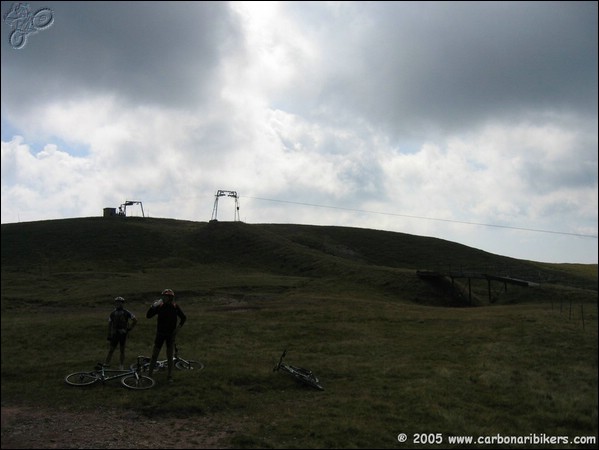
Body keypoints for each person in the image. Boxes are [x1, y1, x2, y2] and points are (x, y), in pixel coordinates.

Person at [146, 288, 186, 383]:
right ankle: (149, 375)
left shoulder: (175, 307)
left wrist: (177, 329)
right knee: (154, 355)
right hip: (160, 334)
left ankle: (169, 376)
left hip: (170, 335)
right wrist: (153, 306)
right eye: (163, 296)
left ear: (170, 298)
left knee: (169, 355)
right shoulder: (160, 306)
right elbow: (148, 316)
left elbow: (183, 318)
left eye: (166, 296)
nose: (164, 298)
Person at [105, 297, 137, 370]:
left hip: (123, 334)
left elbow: (135, 320)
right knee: (111, 350)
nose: (118, 304)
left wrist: (130, 328)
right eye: (117, 302)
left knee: (122, 350)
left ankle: (121, 365)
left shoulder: (126, 312)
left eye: (120, 302)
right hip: (115, 334)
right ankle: (106, 364)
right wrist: (109, 334)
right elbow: (110, 324)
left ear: (122, 303)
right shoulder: (112, 313)